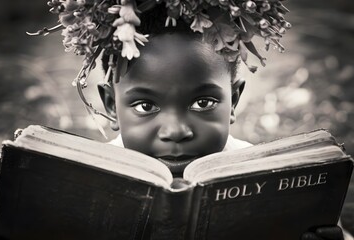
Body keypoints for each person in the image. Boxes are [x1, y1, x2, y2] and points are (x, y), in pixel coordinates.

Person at [95, 3, 352, 240]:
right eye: (146, 106)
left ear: (234, 100)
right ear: (110, 106)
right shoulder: (87, 179)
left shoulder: (269, 181)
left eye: (203, 103)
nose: (175, 132)